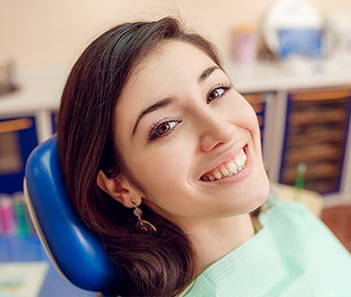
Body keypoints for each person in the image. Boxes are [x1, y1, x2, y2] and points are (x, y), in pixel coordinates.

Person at [56, 16, 351, 296]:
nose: (222, 130)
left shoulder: (286, 214)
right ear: (120, 186)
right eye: (165, 127)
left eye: (216, 92)